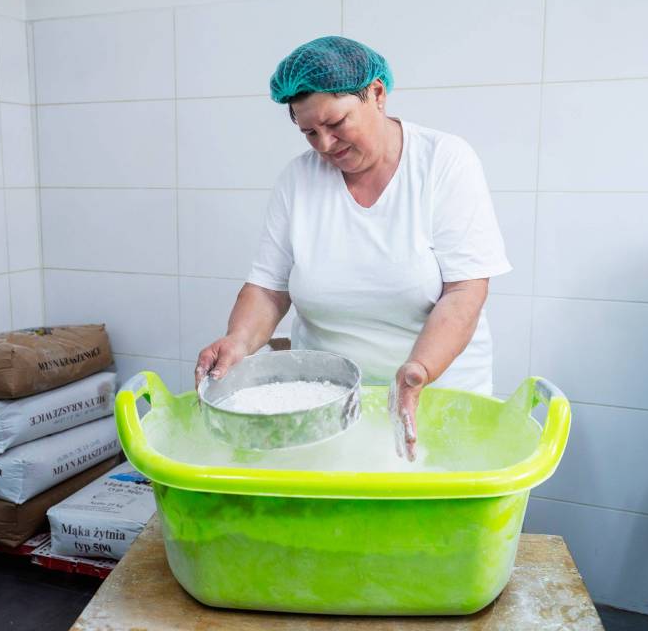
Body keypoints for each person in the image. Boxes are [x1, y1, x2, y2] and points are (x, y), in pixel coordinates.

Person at [194, 36, 511, 460]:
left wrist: (419, 369)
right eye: (309, 132)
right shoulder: (298, 180)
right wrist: (239, 340)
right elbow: (268, 289)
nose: (325, 144)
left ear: (377, 94)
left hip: (435, 399)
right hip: (327, 407)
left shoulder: (443, 161)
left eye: (337, 123)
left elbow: (465, 291)